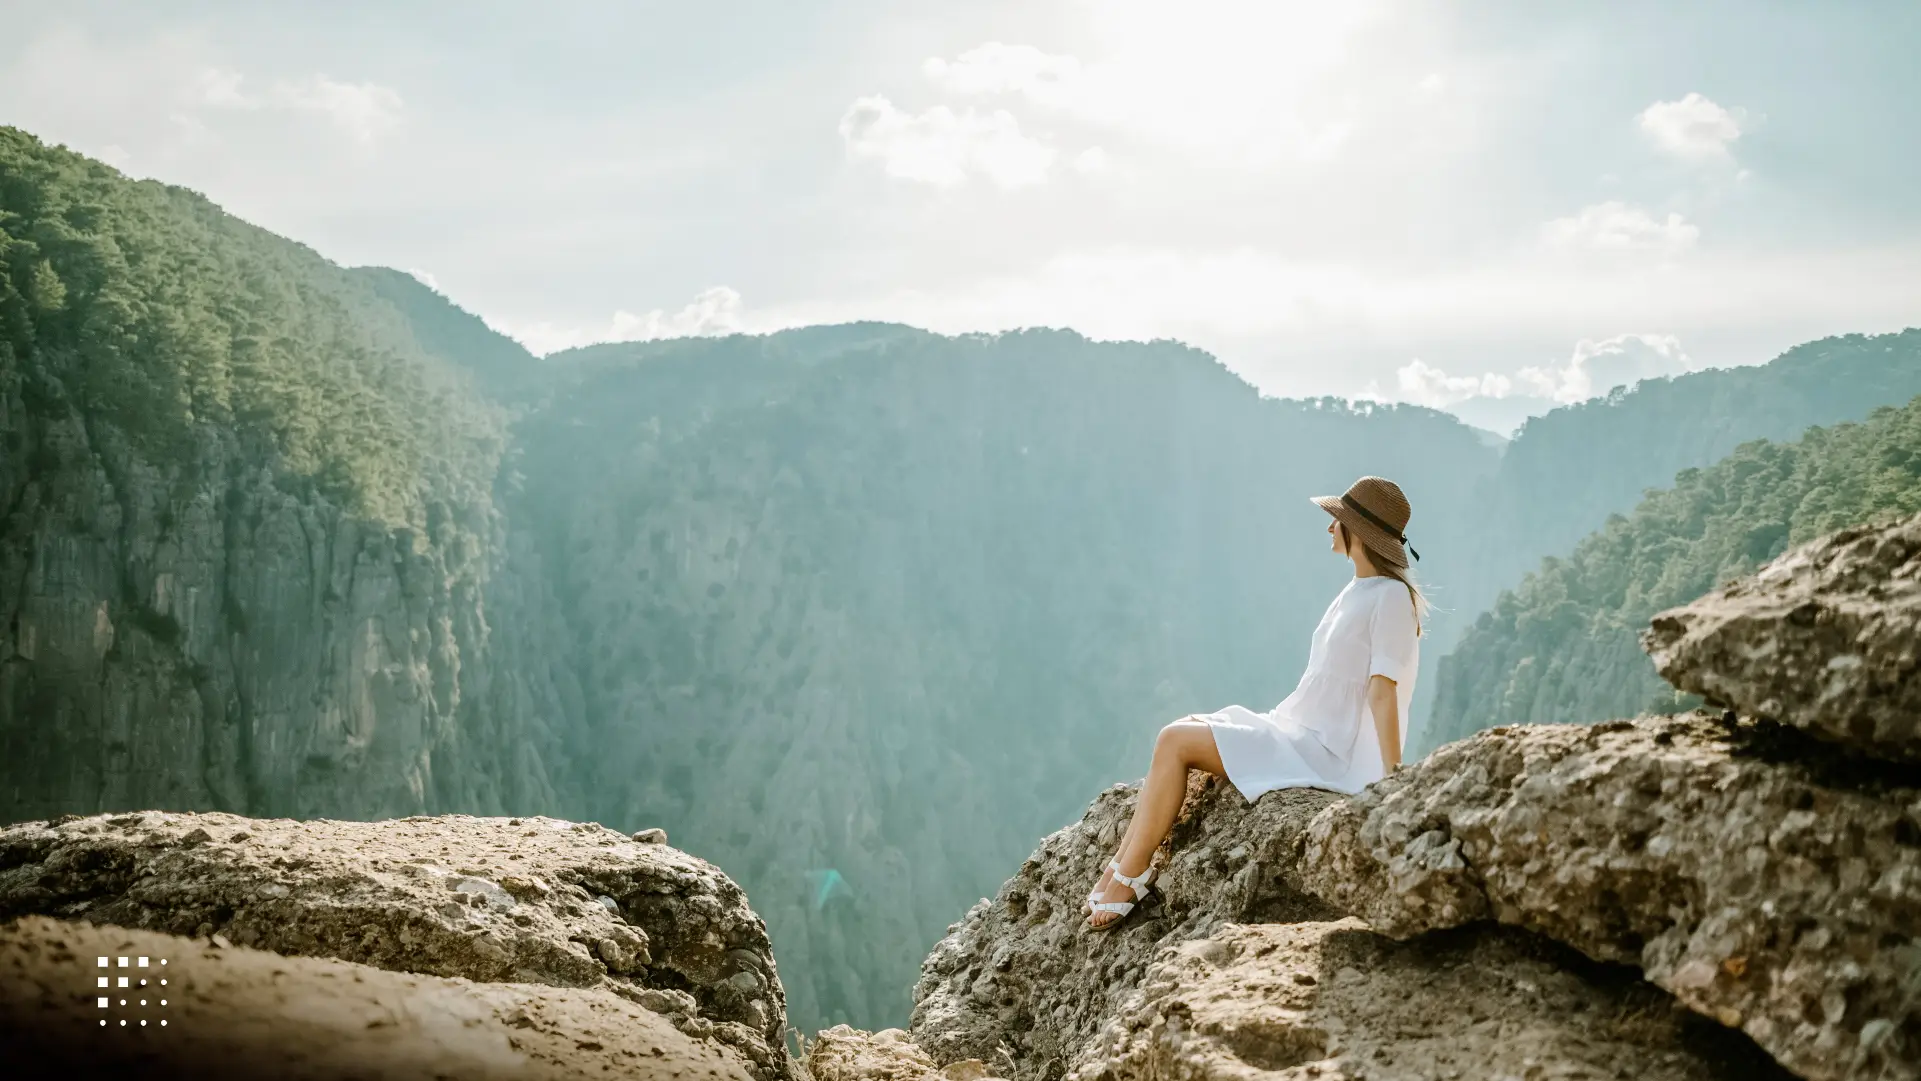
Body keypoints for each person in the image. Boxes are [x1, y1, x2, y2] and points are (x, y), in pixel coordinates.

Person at [1084, 475, 1427, 931]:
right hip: (1301, 730)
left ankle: (1132, 873)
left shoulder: (1391, 597)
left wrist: (1393, 779)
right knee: (1185, 727)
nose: (1328, 528)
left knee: (1175, 740)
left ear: (1359, 533)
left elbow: (1384, 692)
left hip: (1329, 752)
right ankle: (1122, 864)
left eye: (1336, 521)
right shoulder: (1358, 589)